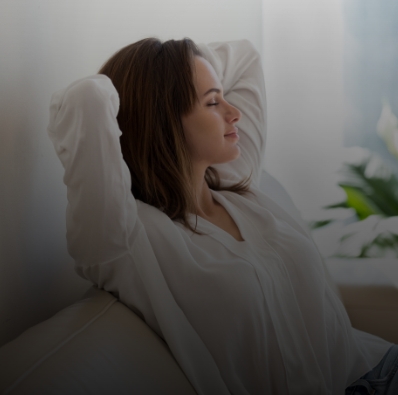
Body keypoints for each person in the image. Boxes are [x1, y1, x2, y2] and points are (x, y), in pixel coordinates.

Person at [47, 37, 396, 394]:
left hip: (377, 363)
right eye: (213, 102)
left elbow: (245, 55)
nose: (234, 113)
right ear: (163, 120)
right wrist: (154, 74)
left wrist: (182, 62)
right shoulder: (127, 240)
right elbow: (86, 99)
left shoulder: (234, 183)